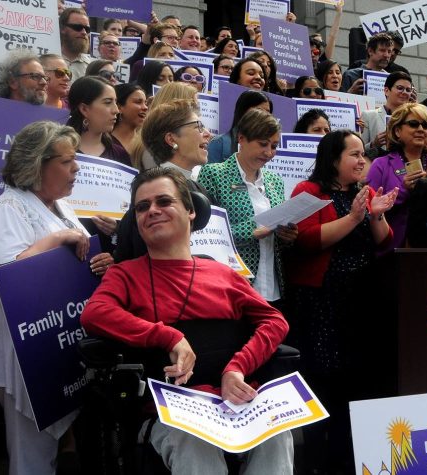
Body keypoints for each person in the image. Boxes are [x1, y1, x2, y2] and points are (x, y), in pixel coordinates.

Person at [81, 166, 293, 474]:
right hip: (173, 413)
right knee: (196, 442)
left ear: (190, 211)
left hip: (235, 401)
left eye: (164, 202)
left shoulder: (223, 274)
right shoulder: (125, 274)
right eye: (142, 207)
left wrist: (238, 367)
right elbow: (95, 314)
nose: (152, 211)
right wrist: (169, 337)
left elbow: (275, 322)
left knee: (277, 435)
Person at [0, 121, 113, 475]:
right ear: (39, 164)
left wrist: (101, 263)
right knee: (30, 457)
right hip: (25, 354)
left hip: (59, 345)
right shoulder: (6, 210)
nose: (77, 168)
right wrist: (54, 241)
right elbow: (5, 275)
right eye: (68, 161)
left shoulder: (61, 207)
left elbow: (78, 259)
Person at [287, 130, 396, 473]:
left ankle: (354, 459)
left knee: (359, 381)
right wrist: (353, 217)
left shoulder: (364, 193)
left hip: (362, 300)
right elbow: (308, 241)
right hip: (323, 302)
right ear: (333, 159)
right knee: (327, 383)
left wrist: (375, 215)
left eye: (363, 154)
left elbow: (384, 240)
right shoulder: (309, 192)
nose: (362, 160)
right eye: (354, 154)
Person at [198, 109, 296, 305]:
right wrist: (253, 230)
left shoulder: (275, 181)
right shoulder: (214, 174)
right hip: (232, 285)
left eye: (274, 146)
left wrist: (287, 236)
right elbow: (204, 236)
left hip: (273, 286)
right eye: (262, 144)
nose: (269, 152)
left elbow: (278, 233)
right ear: (241, 139)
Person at [113, 100, 213, 262]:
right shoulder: (148, 190)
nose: (208, 134)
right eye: (198, 127)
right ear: (171, 139)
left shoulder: (199, 188)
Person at [365, 103, 427, 250]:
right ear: (397, 131)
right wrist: (404, 190)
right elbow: (367, 209)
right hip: (391, 248)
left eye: (425, 125)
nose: (421, 129)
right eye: (413, 124)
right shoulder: (381, 165)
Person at [67, 76, 128, 165]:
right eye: (107, 102)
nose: (116, 110)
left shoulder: (120, 154)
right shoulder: (58, 152)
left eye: (115, 102)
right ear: (84, 109)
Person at [206, 90, 271, 164]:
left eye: (268, 112)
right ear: (242, 111)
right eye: (259, 110)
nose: (264, 116)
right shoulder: (219, 143)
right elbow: (209, 174)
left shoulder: (270, 148)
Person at [359, 71, 412, 159]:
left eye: (408, 90)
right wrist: (374, 144)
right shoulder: (369, 116)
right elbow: (359, 151)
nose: (404, 92)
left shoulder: (412, 119)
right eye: (400, 88)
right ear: (386, 91)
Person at [112, 83, 148, 157]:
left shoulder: (146, 144)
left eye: (145, 103)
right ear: (119, 107)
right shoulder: (102, 141)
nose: (145, 107)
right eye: (138, 102)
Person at [59, 7, 92, 79]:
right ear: (63, 29)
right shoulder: (47, 60)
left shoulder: (92, 66)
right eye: (77, 27)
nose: (84, 32)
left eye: (87, 29)